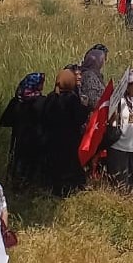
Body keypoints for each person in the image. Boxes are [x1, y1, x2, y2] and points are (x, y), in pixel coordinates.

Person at [41, 69, 88, 197]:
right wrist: (85, 108)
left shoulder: (51, 97)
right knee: (69, 166)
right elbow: (79, 118)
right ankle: (69, 191)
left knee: (55, 166)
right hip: (69, 139)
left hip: (52, 138)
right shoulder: (72, 98)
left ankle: (54, 190)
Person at [0, 73, 47, 188]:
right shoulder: (43, 102)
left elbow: (4, 121)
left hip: (19, 140)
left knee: (19, 167)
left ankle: (16, 187)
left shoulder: (17, 101)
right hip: (37, 140)